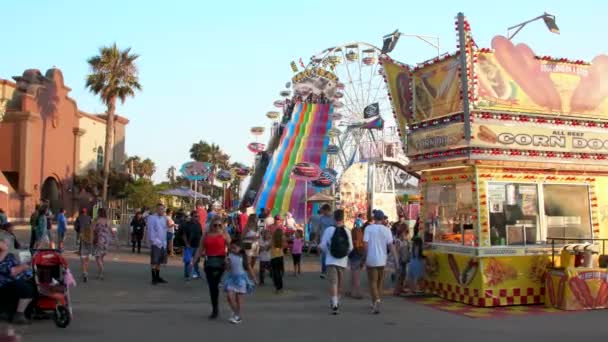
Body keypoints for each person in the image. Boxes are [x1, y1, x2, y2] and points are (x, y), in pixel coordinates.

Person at [193, 217, 230, 319]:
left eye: (219, 225)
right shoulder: (205, 235)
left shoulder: (225, 235)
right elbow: (200, 249)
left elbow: (232, 248)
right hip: (209, 262)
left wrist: (230, 260)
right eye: (215, 225)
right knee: (212, 286)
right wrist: (193, 262)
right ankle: (215, 308)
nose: (217, 227)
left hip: (220, 262)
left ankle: (215, 308)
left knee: (215, 284)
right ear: (211, 225)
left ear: (222, 226)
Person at [320, 209, 353, 314]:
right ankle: (337, 300)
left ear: (334, 218)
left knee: (333, 282)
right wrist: (344, 254)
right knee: (340, 283)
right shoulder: (347, 231)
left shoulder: (329, 230)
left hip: (330, 260)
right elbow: (351, 248)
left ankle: (334, 304)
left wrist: (328, 252)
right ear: (343, 218)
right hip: (342, 261)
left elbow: (323, 245)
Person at [363, 210, 396, 314]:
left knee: (372, 282)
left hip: (371, 259)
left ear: (374, 218)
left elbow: (365, 244)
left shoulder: (368, 228)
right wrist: (396, 259)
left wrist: (365, 257)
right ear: (382, 219)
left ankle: (376, 300)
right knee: (379, 282)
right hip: (382, 259)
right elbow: (391, 246)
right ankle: (376, 301)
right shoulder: (387, 230)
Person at [0, 235, 36, 324]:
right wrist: (24, 266)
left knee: (35, 283)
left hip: (12, 281)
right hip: (5, 284)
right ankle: (19, 315)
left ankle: (32, 310)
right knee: (26, 288)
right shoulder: (3, 257)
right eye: (6, 244)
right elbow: (12, 272)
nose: (9, 245)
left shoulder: (9, 256)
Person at [223, 239, 256, 324]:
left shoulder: (243, 257)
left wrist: (254, 278)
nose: (232, 249)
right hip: (232, 278)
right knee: (229, 297)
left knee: (238, 299)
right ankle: (236, 313)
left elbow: (249, 268)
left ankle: (237, 315)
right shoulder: (229, 255)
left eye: (235, 248)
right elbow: (228, 269)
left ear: (240, 248)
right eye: (231, 247)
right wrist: (226, 263)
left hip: (241, 280)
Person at [147, 204, 169, 285]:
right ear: (157, 210)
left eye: (163, 209)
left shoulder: (164, 218)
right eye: (160, 209)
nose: (162, 211)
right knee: (154, 261)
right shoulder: (152, 218)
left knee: (159, 261)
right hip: (156, 243)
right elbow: (150, 231)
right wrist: (154, 241)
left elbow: (164, 230)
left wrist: (165, 242)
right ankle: (153, 278)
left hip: (163, 243)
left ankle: (158, 276)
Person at [92, 208, 114, 280]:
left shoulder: (97, 220)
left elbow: (93, 229)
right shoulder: (108, 221)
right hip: (106, 241)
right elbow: (112, 231)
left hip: (99, 240)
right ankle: (100, 272)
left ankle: (101, 272)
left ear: (99, 213)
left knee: (97, 257)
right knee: (101, 257)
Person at [347, 216, 365, 299]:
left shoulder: (352, 231)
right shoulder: (361, 232)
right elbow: (361, 244)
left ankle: (352, 291)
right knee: (357, 274)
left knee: (353, 273)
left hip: (353, 253)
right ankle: (357, 292)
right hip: (358, 253)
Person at [182, 211, 202, 280]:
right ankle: (187, 275)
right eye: (195, 216)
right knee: (188, 261)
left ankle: (196, 274)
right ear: (192, 216)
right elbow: (184, 235)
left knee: (196, 261)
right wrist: (186, 243)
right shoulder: (187, 224)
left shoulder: (199, 224)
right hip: (189, 246)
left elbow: (200, 235)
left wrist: (201, 245)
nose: (197, 218)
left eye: (198, 216)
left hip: (197, 246)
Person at [319, 204, 335, 279]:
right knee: (324, 257)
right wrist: (316, 238)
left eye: (323, 210)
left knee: (332, 256)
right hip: (324, 240)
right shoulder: (321, 218)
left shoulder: (334, 218)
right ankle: (323, 271)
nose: (322, 212)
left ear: (327, 210)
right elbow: (319, 228)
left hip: (332, 240)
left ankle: (331, 271)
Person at [393, 224, 411, 296]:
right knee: (399, 275)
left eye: (406, 232)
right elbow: (396, 252)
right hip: (400, 260)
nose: (406, 234)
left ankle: (401, 288)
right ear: (401, 232)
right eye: (405, 232)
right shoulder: (398, 241)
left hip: (404, 260)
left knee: (404, 274)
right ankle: (396, 290)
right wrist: (396, 262)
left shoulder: (406, 240)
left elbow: (408, 249)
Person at [78, 208, 94, 282]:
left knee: (83, 260)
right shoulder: (89, 218)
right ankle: (86, 273)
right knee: (87, 260)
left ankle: (84, 273)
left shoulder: (79, 218)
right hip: (89, 241)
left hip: (83, 238)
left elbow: (76, 226)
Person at [270, 228, 286, 293]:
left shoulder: (272, 239)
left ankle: (277, 287)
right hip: (280, 256)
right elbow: (284, 246)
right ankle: (281, 287)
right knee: (279, 272)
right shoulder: (283, 238)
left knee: (275, 273)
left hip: (274, 257)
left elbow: (270, 246)